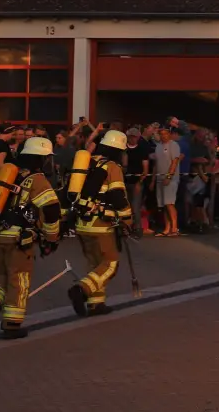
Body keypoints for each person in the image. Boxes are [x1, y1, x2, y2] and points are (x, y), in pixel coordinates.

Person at [0, 136, 62, 339]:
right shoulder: (37, 180)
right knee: (18, 279)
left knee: (0, 274)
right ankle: (12, 324)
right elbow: (51, 209)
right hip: (16, 241)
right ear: (40, 158)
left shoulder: (1, 172)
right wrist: (51, 237)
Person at [67, 130, 133, 317]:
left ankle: (96, 304)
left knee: (95, 264)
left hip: (82, 222)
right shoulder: (112, 166)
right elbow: (117, 195)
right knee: (110, 264)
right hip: (101, 224)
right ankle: (81, 290)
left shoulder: (87, 162)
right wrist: (128, 219)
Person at [152, 124, 182, 237]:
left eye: (166, 133)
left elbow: (175, 162)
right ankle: (167, 228)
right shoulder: (158, 146)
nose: (164, 136)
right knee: (164, 204)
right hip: (160, 178)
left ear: (169, 134)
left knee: (170, 203)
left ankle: (174, 228)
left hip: (171, 178)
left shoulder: (174, 145)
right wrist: (153, 180)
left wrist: (169, 176)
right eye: (162, 134)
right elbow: (156, 164)